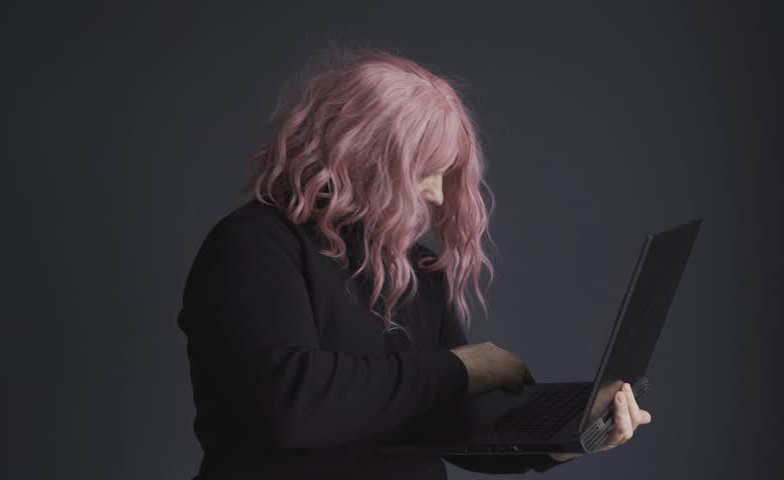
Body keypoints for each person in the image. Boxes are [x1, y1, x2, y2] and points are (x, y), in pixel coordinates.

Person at [177, 46, 651, 480]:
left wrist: (568, 436)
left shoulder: (416, 268)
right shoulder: (253, 244)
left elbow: (453, 428)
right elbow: (289, 405)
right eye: (424, 172)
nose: (438, 195)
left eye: (444, 174)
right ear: (361, 155)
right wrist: (459, 368)